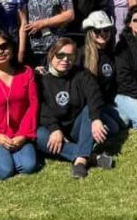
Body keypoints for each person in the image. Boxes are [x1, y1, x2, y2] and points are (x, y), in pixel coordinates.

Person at [36, 37, 113, 178]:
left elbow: (95, 95)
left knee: (89, 110)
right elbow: (41, 109)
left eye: (70, 56)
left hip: (79, 128)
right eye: (60, 55)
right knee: (38, 136)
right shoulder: (41, 79)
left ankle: (80, 161)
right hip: (55, 130)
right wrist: (54, 128)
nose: (65, 60)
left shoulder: (81, 74)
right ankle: (91, 157)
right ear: (51, 55)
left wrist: (96, 119)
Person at [0, 30, 40, 180]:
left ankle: (8, 157)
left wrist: (23, 135)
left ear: (11, 47)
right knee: (4, 171)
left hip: (20, 134)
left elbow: (33, 105)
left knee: (28, 166)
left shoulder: (26, 72)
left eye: (3, 46)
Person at [80, 10, 125, 135]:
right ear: (90, 33)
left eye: (106, 30)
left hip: (107, 102)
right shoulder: (81, 55)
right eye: (98, 31)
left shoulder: (111, 53)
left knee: (125, 121)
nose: (103, 34)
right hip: (89, 106)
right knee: (114, 129)